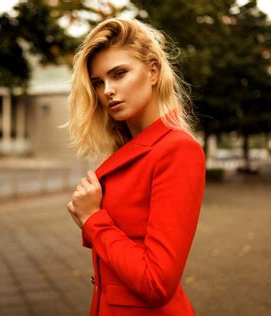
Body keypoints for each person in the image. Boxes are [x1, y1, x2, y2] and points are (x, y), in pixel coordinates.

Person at [65, 17, 206, 316]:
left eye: (119, 74)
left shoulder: (177, 149)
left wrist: (93, 218)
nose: (108, 91)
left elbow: (157, 282)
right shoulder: (129, 150)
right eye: (98, 82)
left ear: (153, 71)